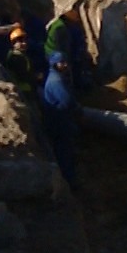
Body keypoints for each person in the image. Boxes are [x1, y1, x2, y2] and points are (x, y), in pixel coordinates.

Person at [40, 50, 81, 186]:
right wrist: (77, 110)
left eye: (65, 62)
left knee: (65, 151)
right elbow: (67, 101)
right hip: (59, 122)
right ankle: (70, 182)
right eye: (61, 62)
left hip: (58, 120)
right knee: (64, 153)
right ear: (54, 64)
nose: (64, 65)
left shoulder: (56, 77)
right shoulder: (56, 81)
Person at [44, 3, 92, 91]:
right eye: (75, 12)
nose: (77, 15)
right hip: (55, 54)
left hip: (54, 52)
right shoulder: (60, 28)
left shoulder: (63, 23)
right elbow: (62, 48)